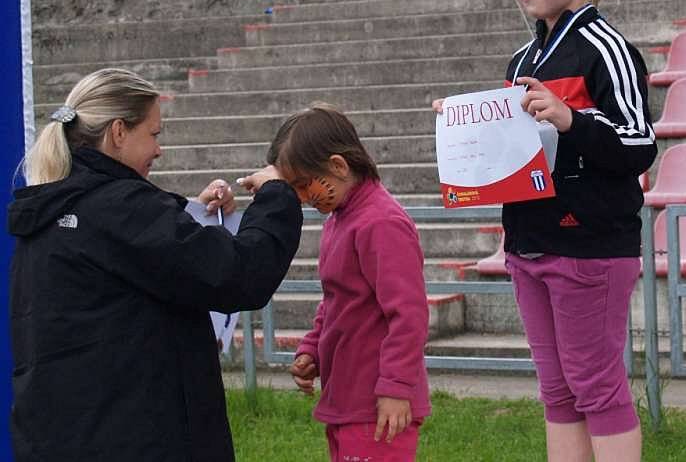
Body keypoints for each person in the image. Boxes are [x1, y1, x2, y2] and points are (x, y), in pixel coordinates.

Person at [433, 0, 656, 462]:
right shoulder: (521, 60)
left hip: (589, 248)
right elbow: (517, 158)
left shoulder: (606, 50)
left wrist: (572, 120)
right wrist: (466, 132)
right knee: (557, 390)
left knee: (596, 386)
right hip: (529, 245)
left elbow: (638, 144)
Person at [7, 68, 303, 462]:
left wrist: (190, 215)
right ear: (117, 132)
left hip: (66, 436)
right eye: (153, 134)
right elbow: (238, 275)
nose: (159, 150)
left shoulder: (54, 210)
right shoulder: (122, 210)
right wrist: (276, 197)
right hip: (136, 437)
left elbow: (137, 272)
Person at [264, 104, 430, 462]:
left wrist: (396, 388)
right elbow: (336, 299)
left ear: (338, 166)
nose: (303, 198)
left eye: (303, 185)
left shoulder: (381, 224)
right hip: (348, 399)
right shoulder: (340, 219)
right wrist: (312, 348)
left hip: (378, 406)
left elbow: (409, 314)